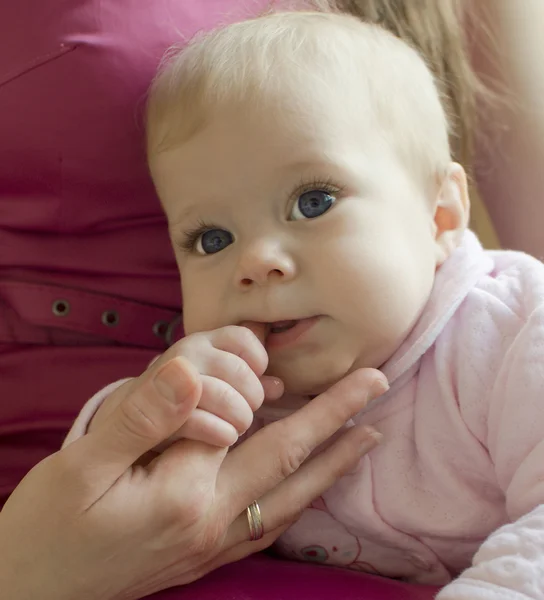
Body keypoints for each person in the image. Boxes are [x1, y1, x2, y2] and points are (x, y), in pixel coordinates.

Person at [0, 0, 539, 598]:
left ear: (439, 215)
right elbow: (107, 497)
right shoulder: (240, 380)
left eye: (313, 202)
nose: (254, 263)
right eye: (212, 239)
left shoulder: (511, 331)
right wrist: (144, 409)